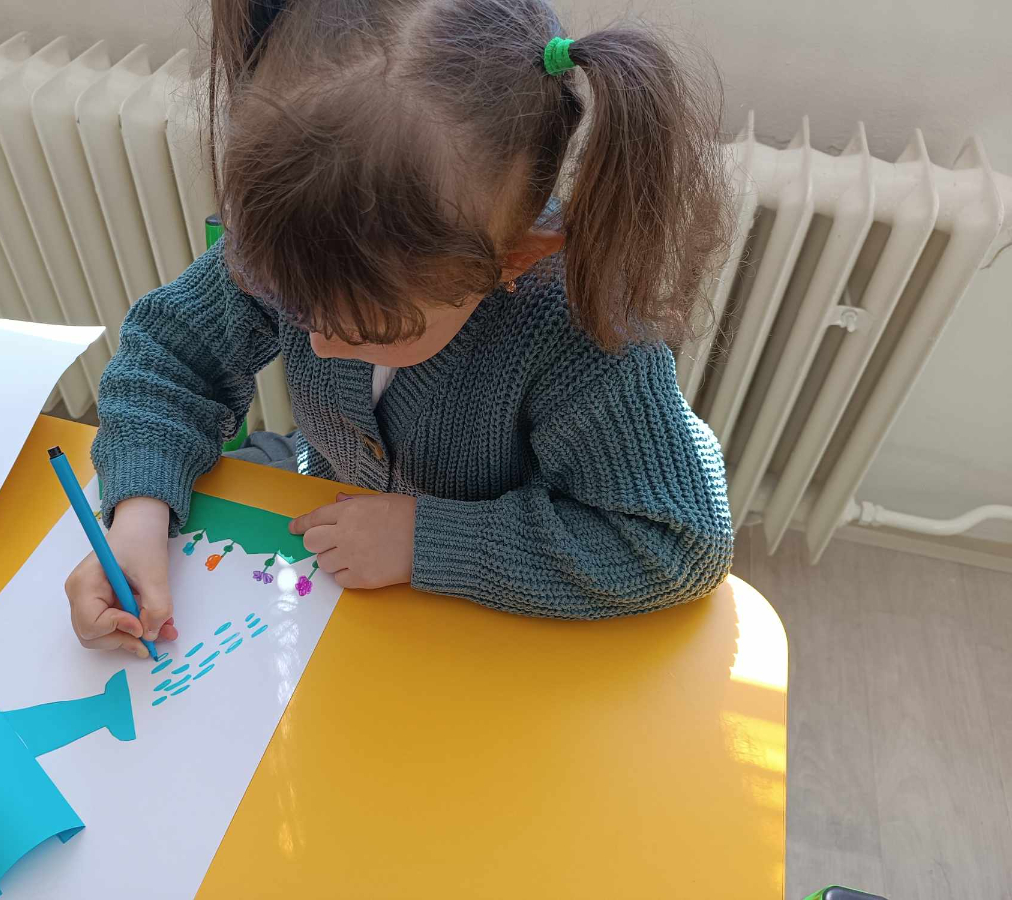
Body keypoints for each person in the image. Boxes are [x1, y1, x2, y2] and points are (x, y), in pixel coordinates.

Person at [64, 0, 736, 657]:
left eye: (369, 330)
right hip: (328, 547)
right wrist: (140, 512)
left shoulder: (581, 334)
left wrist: (424, 541)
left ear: (513, 259)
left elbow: (677, 541)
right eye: (294, 307)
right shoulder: (299, 243)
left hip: (481, 630)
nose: (319, 345)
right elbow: (171, 355)